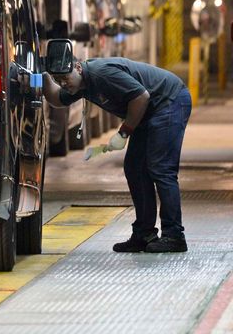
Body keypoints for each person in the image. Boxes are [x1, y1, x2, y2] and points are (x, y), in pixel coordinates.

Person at [42, 51, 192, 253]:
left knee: (160, 168)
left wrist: (124, 133)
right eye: (59, 80)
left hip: (169, 101)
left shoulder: (100, 73)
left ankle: (174, 236)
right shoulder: (80, 84)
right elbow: (56, 98)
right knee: (135, 169)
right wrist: (41, 76)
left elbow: (141, 97)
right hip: (150, 112)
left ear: (78, 68)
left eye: (65, 78)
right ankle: (144, 234)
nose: (64, 83)